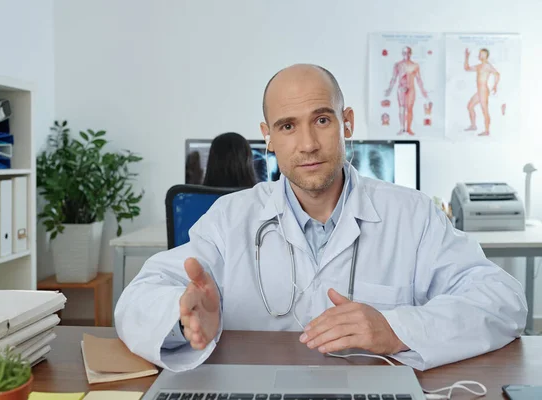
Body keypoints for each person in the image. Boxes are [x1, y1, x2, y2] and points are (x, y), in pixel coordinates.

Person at [115, 64, 526, 373]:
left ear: (347, 124)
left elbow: (502, 300)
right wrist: (181, 318)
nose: (308, 143)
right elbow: (138, 296)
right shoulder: (231, 218)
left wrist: (399, 328)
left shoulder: (412, 215)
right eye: (288, 126)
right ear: (269, 138)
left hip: (370, 388)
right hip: (255, 386)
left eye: (323, 120)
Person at [384, 47, 428, 135]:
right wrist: (389, 89)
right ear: (402, 54)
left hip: (411, 89)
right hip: (401, 89)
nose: (406, 55)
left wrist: (423, 91)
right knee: (401, 108)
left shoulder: (415, 65)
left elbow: (419, 79)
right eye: (404, 53)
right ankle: (402, 128)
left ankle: (408, 128)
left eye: (408, 53)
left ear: (410, 53)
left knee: (410, 109)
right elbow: (394, 78)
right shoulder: (398, 65)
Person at [464, 48, 500, 136]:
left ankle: (487, 131)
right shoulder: (479, 66)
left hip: (483, 90)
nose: (480, 55)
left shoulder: (487, 65)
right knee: (470, 106)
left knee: (484, 110)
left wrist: (495, 85)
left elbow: (497, 74)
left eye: (483, 54)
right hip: (479, 91)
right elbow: (467, 68)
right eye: (480, 53)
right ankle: (473, 126)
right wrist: (466, 57)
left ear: (486, 56)